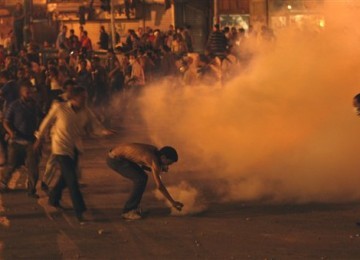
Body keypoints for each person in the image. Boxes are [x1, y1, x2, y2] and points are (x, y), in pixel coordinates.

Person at [34, 86, 113, 222]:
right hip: (60, 147)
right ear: (73, 98)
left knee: (65, 177)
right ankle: (80, 211)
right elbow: (46, 122)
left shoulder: (85, 111)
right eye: (82, 98)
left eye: (85, 97)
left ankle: (53, 198)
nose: (85, 100)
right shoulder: (59, 108)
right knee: (72, 180)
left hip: (74, 147)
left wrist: (105, 132)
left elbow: (95, 126)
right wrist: (39, 139)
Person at [106, 143, 183, 220]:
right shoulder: (152, 159)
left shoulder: (154, 150)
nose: (168, 166)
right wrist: (173, 202)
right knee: (140, 179)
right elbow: (159, 186)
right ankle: (128, 211)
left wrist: (158, 169)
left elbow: (142, 163)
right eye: (168, 163)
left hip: (118, 155)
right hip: (115, 160)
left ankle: (133, 207)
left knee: (142, 177)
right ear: (163, 157)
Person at [0, 83, 42, 198]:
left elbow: (41, 120)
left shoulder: (35, 106)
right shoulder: (14, 106)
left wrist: (40, 136)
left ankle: (31, 190)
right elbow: (6, 121)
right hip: (16, 142)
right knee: (12, 165)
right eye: (27, 92)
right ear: (21, 93)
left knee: (33, 168)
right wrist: (11, 132)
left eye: (30, 92)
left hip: (30, 142)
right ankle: (3, 184)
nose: (29, 94)